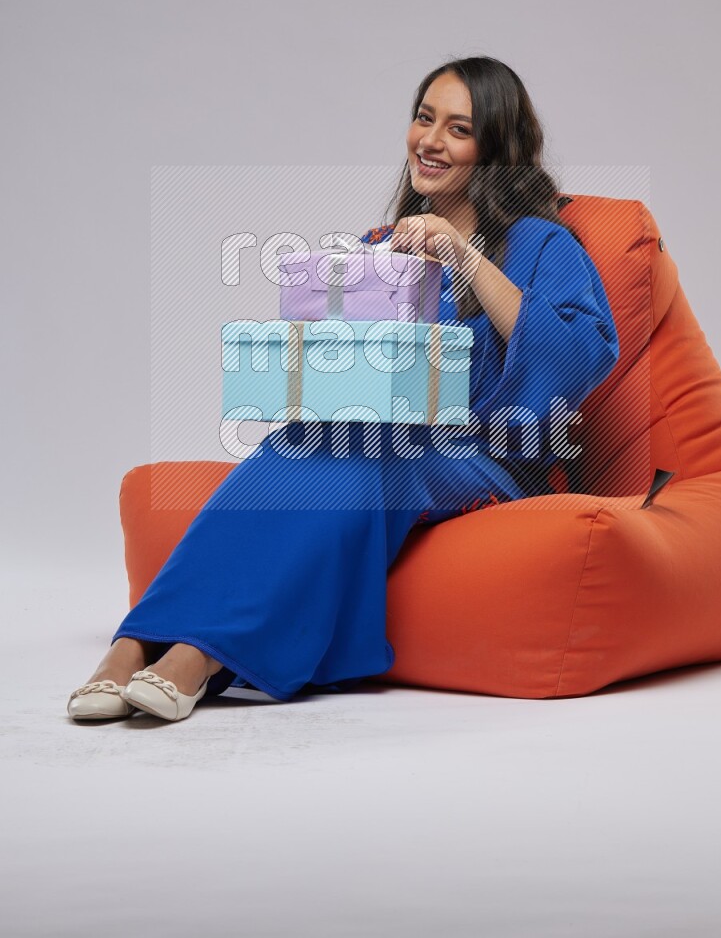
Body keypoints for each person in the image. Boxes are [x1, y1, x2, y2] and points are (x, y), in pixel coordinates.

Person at [66, 55, 620, 723]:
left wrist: (461, 254)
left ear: (495, 150)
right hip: (381, 441)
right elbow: (340, 372)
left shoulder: (541, 243)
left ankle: (200, 655)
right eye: (423, 118)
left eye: (458, 128)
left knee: (372, 452)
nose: (430, 140)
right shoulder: (381, 245)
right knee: (298, 440)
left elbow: (578, 356)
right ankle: (133, 643)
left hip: (490, 459)